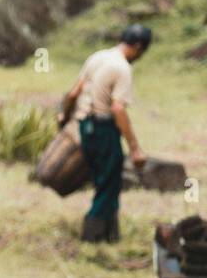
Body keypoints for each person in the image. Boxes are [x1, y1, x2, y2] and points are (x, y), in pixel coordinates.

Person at [58, 24, 152, 243]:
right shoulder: (122, 69)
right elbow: (118, 109)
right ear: (138, 47)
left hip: (85, 126)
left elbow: (73, 93)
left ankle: (111, 234)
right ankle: (92, 234)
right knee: (110, 182)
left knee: (104, 180)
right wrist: (135, 148)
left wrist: (64, 116)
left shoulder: (98, 57)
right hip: (103, 128)